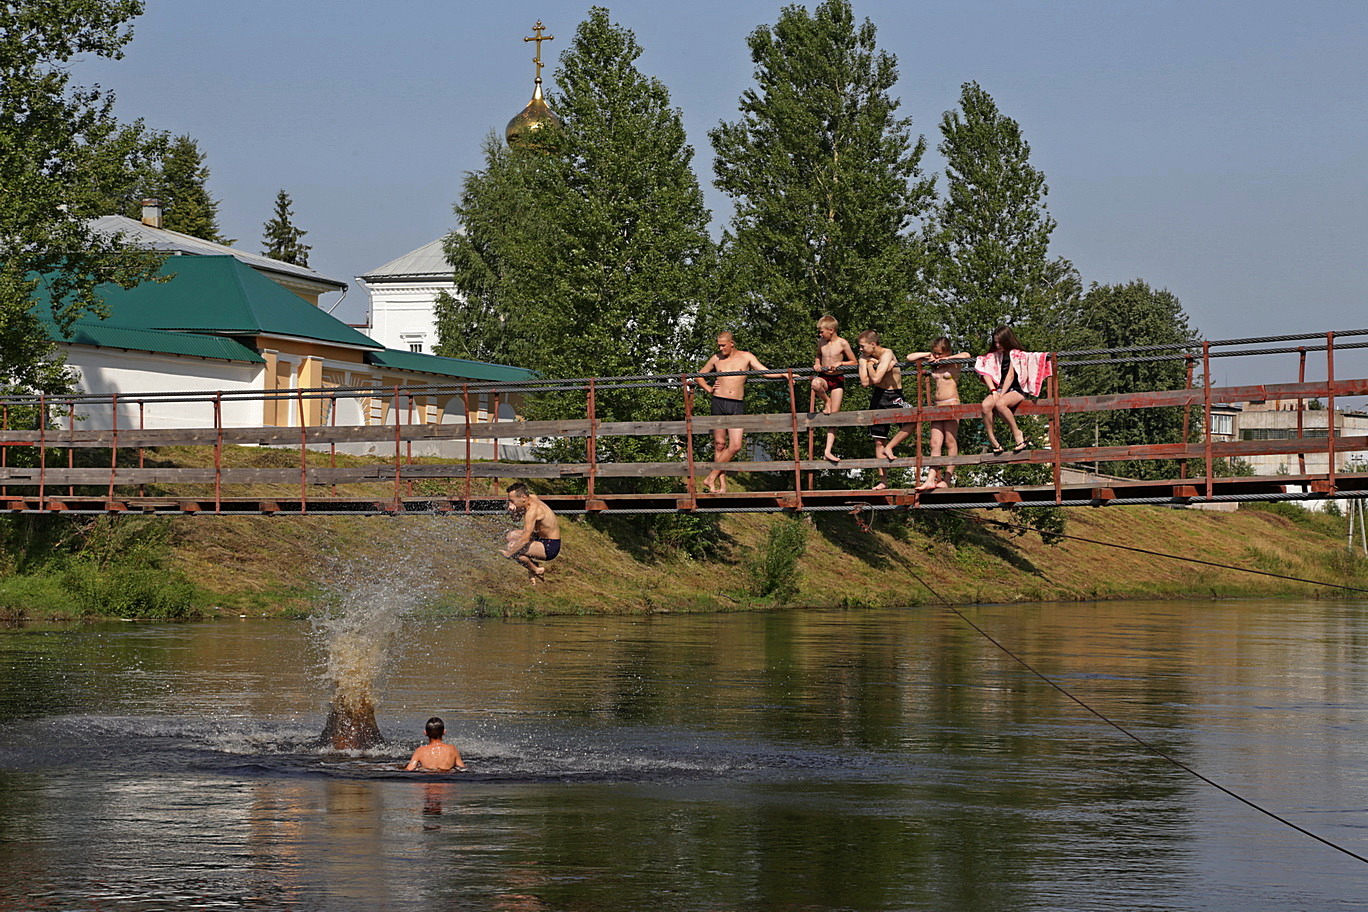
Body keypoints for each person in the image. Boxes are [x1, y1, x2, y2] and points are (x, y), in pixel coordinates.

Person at [692, 332, 782, 494]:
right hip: (718, 402)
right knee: (720, 444)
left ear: (732, 343)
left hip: (736, 404)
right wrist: (709, 389)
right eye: (718, 345)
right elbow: (699, 376)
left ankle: (710, 477)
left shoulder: (746, 357)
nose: (720, 348)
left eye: (723, 345)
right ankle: (720, 485)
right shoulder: (716, 358)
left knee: (735, 445)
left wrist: (784, 375)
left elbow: (765, 371)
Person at [906, 337, 972, 490]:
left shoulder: (953, 363)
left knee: (950, 441)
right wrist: (929, 355)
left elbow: (967, 355)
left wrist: (947, 358)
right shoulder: (933, 360)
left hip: (951, 403)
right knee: (934, 443)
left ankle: (947, 479)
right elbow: (910, 357)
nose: (937, 357)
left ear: (947, 352)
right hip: (937, 407)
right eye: (935, 353)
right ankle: (930, 479)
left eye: (939, 353)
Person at [857, 330, 910, 490]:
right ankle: (883, 481)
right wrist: (866, 364)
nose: (860, 350)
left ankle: (890, 447)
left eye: (862, 346)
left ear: (873, 344)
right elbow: (865, 383)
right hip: (879, 396)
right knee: (878, 439)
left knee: (913, 420)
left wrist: (870, 366)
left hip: (893, 394)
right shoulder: (863, 358)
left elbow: (876, 379)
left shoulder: (887, 354)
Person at [974, 325, 1032, 455]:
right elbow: (985, 373)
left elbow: (1011, 376)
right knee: (985, 405)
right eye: (995, 342)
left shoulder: (1016, 354)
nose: (998, 345)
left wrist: (1001, 394)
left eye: (1000, 342)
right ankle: (992, 439)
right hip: (999, 389)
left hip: (1017, 389)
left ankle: (1017, 434)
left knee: (1000, 404)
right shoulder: (993, 356)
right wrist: (994, 390)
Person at [812, 315, 857, 462]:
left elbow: (854, 362)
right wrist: (817, 363)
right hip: (824, 377)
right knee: (815, 384)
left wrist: (841, 364)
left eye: (822, 331)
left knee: (834, 417)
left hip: (837, 379)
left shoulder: (842, 343)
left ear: (831, 330)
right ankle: (827, 401)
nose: (820, 334)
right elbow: (818, 356)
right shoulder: (821, 342)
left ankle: (828, 450)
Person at [502, 482, 561, 585]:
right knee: (510, 536)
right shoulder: (530, 497)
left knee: (513, 548)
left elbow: (524, 539)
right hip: (539, 537)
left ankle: (536, 569)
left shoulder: (532, 511)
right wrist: (512, 510)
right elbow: (516, 519)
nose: (510, 503)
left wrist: (508, 554)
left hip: (550, 546)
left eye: (512, 501)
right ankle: (533, 565)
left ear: (523, 497)